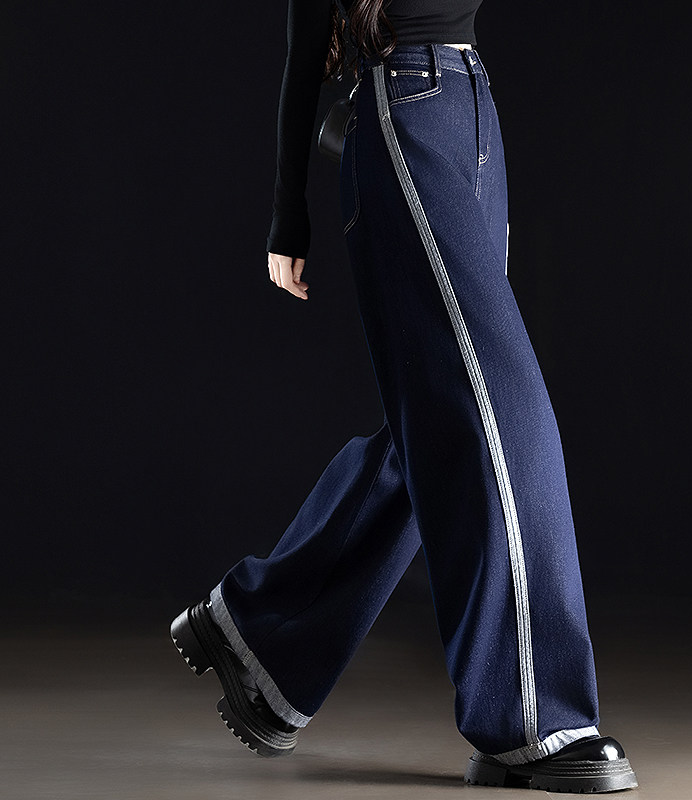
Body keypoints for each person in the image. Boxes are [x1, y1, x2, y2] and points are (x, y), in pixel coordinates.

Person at [170, 0, 638, 792]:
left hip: (472, 107)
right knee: (498, 408)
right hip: (406, 110)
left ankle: (260, 633)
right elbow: (305, 45)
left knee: (443, 422)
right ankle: (533, 719)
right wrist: (288, 217)